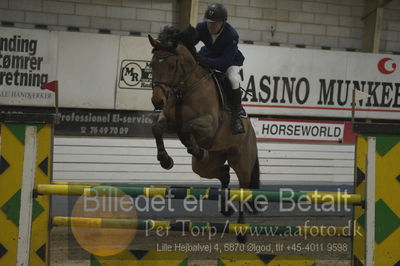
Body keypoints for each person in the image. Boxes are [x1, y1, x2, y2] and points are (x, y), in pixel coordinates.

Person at [195, 3, 246, 135]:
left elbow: (225, 62)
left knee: (233, 79)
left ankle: (236, 116)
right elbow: (189, 42)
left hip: (230, 61)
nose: (210, 26)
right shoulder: (201, 27)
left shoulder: (232, 35)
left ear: (223, 22)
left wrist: (205, 61)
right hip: (209, 55)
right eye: (208, 23)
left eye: (214, 23)